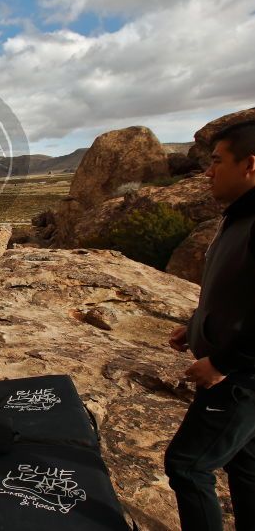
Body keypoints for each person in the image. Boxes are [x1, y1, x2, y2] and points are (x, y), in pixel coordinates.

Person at [165, 121, 255, 531]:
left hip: (239, 380)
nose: (208, 171)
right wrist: (197, 324)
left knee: (187, 465)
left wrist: (220, 361)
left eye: (217, 161)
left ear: (250, 164)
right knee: (245, 464)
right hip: (240, 375)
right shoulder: (241, 215)